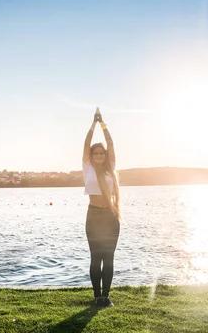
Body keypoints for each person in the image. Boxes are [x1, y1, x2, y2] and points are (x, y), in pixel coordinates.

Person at [82, 107, 121, 307]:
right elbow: (87, 143)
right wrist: (93, 124)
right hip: (94, 217)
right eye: (95, 153)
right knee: (96, 258)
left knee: (109, 258)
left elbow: (111, 143)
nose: (98, 154)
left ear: (105, 156)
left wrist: (103, 123)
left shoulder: (110, 168)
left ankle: (106, 296)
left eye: (101, 153)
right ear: (91, 155)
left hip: (110, 216)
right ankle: (97, 296)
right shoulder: (87, 167)